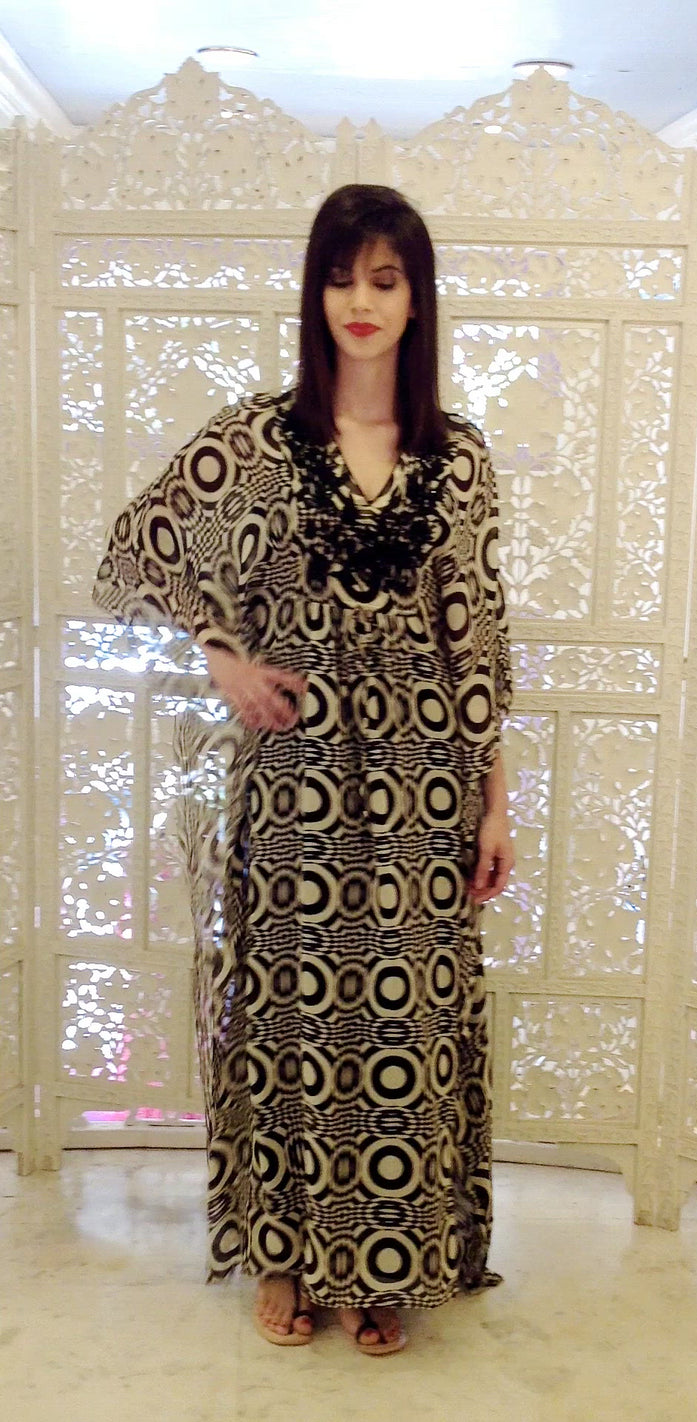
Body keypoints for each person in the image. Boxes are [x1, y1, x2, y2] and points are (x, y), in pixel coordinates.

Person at [93, 183, 514, 1357]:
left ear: (418, 300)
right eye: (339, 277)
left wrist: (493, 805)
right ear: (313, 292)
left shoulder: (457, 459)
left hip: (425, 782)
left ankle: (386, 1262)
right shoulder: (257, 441)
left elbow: (479, 641)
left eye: (384, 279)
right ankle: (286, 1252)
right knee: (288, 1013)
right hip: (297, 778)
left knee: (400, 1022)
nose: (360, 302)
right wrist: (221, 655)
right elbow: (135, 550)